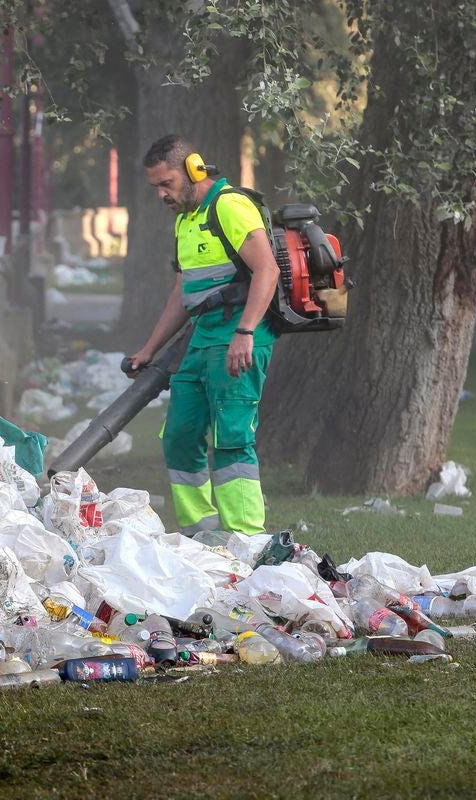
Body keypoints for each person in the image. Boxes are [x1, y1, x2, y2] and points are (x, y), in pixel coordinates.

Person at [126, 134, 280, 536]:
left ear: (193, 170)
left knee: (231, 437)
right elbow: (182, 293)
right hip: (202, 338)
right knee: (179, 434)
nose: (161, 194)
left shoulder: (229, 207)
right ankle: (203, 533)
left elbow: (267, 270)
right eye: (155, 187)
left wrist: (245, 332)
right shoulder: (185, 220)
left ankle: (246, 539)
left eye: (167, 184)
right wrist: (149, 348)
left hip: (239, 334)